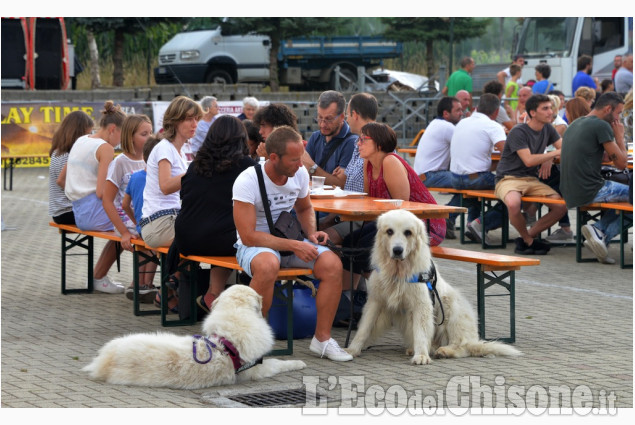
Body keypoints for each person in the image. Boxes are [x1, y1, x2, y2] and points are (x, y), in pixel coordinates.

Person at [232, 126, 352, 362]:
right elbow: (248, 236)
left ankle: (323, 340)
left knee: (332, 264)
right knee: (267, 264)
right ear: (274, 157)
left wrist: (311, 234)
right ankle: (253, 340)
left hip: (290, 240)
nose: (301, 165)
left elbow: (305, 207)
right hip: (255, 246)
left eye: (301, 158)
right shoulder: (247, 180)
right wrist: (296, 245)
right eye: (295, 159)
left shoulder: (299, 173)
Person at [340, 122, 446, 280]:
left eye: (363, 140)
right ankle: (354, 294)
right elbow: (370, 202)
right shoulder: (368, 163)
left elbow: (402, 207)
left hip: (422, 225)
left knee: (362, 246)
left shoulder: (390, 161)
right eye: (359, 139)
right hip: (391, 222)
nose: (358, 143)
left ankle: (373, 291)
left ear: (379, 144)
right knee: (350, 241)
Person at [174, 115, 257, 313]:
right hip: (218, 239)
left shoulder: (195, 165)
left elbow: (184, 195)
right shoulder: (246, 166)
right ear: (240, 138)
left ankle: (214, 295)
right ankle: (231, 300)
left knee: (225, 230)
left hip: (185, 238)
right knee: (243, 237)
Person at [65, 101, 127, 293]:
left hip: (79, 210)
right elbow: (102, 192)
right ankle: (103, 277)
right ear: (113, 129)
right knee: (133, 227)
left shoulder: (82, 140)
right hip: (92, 212)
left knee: (127, 226)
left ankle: (99, 275)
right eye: (121, 136)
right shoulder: (105, 148)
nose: (120, 142)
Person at [560, 92, 630, 264]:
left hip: (569, 190)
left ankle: (600, 236)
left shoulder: (576, 123)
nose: (619, 118)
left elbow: (604, 157)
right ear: (608, 109)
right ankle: (599, 230)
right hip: (591, 189)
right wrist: (620, 137)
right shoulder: (601, 126)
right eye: (618, 113)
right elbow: (621, 164)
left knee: (629, 200)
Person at [494, 94, 567, 255]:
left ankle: (527, 238)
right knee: (513, 204)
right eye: (545, 109)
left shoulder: (548, 128)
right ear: (533, 113)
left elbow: (563, 148)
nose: (551, 112)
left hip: (531, 180)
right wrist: (552, 154)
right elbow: (528, 160)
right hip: (508, 178)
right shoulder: (518, 131)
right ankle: (528, 240)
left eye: (551, 108)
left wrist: (551, 155)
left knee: (560, 207)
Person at [102, 114, 157, 302]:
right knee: (150, 238)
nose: (149, 138)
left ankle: (141, 285)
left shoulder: (152, 160)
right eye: (144, 134)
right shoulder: (120, 162)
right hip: (126, 216)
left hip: (145, 214)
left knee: (156, 233)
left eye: (151, 133)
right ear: (129, 136)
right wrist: (124, 232)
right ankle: (144, 285)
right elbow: (108, 200)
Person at [449, 93, 506, 245]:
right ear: (496, 112)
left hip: (454, 178)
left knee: (474, 192)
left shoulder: (462, 122)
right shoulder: (493, 126)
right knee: (513, 193)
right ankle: (481, 224)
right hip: (475, 178)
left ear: (476, 107)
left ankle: (468, 224)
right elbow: (508, 153)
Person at [322, 93, 377, 244]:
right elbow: (350, 186)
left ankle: (340, 267)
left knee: (321, 237)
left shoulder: (375, 142)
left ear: (354, 114)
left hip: (366, 218)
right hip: (351, 213)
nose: (346, 119)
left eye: (347, 115)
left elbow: (366, 194)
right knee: (312, 228)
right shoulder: (358, 142)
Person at [412, 96, 462, 238]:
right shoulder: (447, 127)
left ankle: (449, 218)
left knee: (470, 185)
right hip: (431, 174)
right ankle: (446, 216)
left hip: (425, 174)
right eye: (457, 110)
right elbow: (468, 146)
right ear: (446, 113)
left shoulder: (436, 123)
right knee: (468, 182)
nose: (461, 113)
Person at [122, 135, 161, 302]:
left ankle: (138, 284)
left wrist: (136, 221)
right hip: (155, 227)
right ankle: (148, 284)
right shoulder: (160, 179)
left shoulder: (136, 176)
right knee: (154, 249)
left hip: (141, 226)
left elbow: (125, 205)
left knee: (143, 250)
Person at [49, 111, 94, 225]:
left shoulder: (58, 151)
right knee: (117, 216)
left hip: (60, 212)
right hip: (68, 211)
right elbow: (62, 182)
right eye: (88, 134)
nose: (90, 137)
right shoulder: (70, 155)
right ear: (79, 133)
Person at [303, 90, 356, 188]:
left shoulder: (352, 142)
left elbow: (341, 184)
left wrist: (312, 167)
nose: (322, 124)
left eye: (329, 119)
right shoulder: (315, 137)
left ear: (342, 117)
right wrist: (329, 178)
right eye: (319, 118)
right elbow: (303, 173)